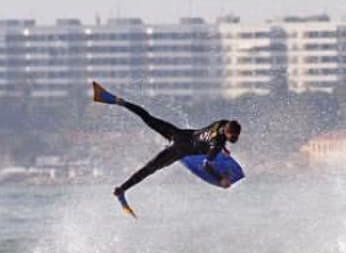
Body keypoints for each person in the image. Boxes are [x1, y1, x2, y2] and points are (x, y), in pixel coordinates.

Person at [92, 81, 241, 212]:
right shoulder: (216, 144)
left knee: (148, 117)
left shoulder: (222, 122)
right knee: (150, 168)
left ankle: (113, 99)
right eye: (233, 137)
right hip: (179, 149)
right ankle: (121, 190)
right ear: (227, 132)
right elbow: (206, 164)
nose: (235, 139)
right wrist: (220, 179)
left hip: (179, 134)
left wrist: (224, 148)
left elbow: (216, 138)